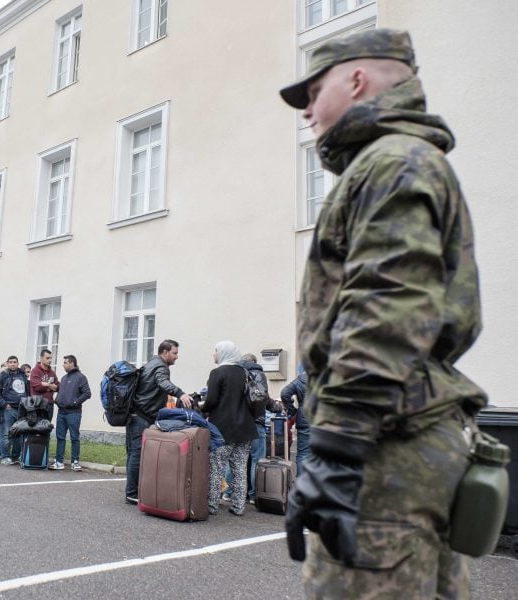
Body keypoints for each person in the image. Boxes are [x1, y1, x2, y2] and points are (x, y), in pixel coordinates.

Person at [279, 29, 487, 597]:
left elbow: (387, 306)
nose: (306, 113)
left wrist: (339, 449)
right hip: (403, 438)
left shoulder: (391, 161)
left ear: (356, 80)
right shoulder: (402, 162)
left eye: (312, 91)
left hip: (383, 451)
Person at [125, 339, 192, 504]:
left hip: (136, 414)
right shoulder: (161, 366)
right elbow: (163, 383)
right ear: (165, 352)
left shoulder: (152, 363)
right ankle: (132, 493)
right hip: (141, 416)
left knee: (133, 453)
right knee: (137, 454)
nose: (176, 357)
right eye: (174, 353)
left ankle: (132, 491)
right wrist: (180, 393)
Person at [203, 341, 258, 516]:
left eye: (216, 351)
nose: (214, 355)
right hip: (245, 428)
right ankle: (238, 506)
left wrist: (201, 408)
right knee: (240, 468)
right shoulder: (244, 372)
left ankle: (212, 504)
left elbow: (211, 400)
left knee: (216, 467)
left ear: (224, 353)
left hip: (223, 429)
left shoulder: (217, 373)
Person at [225, 353, 283, 504]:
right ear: (255, 362)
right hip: (256, 422)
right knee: (257, 459)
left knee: (236, 459)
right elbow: (262, 397)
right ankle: (252, 495)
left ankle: (229, 492)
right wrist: (277, 407)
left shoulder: (236, 373)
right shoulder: (259, 374)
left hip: (238, 422)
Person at [51, 355, 90, 471]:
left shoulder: (81, 377)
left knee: (74, 437)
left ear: (72, 363)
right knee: (60, 437)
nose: (63, 365)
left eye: (65, 363)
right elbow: (60, 393)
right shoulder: (63, 378)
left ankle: (75, 462)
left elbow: (87, 393)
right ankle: (59, 462)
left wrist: (75, 402)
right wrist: (57, 401)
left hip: (74, 413)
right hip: (61, 413)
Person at [0, 356, 29, 465]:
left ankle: (15, 456)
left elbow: (27, 391)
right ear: (7, 364)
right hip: (8, 409)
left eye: (15, 362)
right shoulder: (2, 376)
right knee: (6, 434)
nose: (13, 364)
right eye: (11, 362)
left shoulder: (23, 376)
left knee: (18, 434)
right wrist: (4, 404)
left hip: (21, 409)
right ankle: (5, 456)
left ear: (18, 363)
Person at [280, 363, 310, 474]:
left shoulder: (300, 379)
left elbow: (285, 393)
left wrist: (292, 410)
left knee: (303, 454)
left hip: (305, 419)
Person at [30, 349, 59, 421]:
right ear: (41, 358)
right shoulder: (35, 371)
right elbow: (37, 387)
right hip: (38, 404)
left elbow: (58, 387)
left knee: (47, 428)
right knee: (37, 428)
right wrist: (51, 386)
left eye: (50, 358)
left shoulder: (52, 372)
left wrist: (46, 384)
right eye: (47, 358)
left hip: (49, 404)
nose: (49, 360)